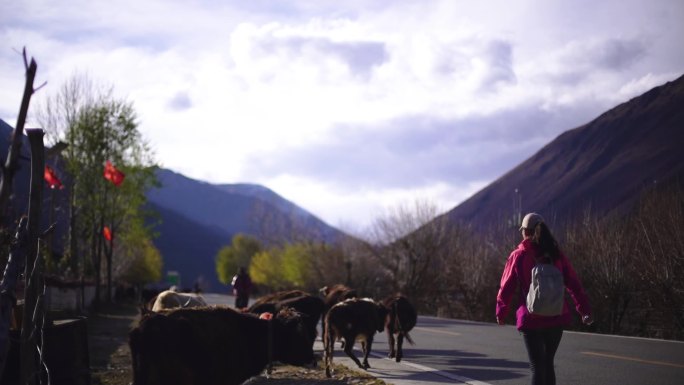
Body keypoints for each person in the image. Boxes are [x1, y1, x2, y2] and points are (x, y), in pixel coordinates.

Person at [496, 212, 593, 385]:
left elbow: (507, 285)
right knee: (548, 364)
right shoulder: (556, 254)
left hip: (531, 318)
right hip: (556, 317)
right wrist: (584, 310)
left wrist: (501, 311)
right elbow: (574, 283)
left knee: (537, 367)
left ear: (525, 231)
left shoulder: (519, 255)